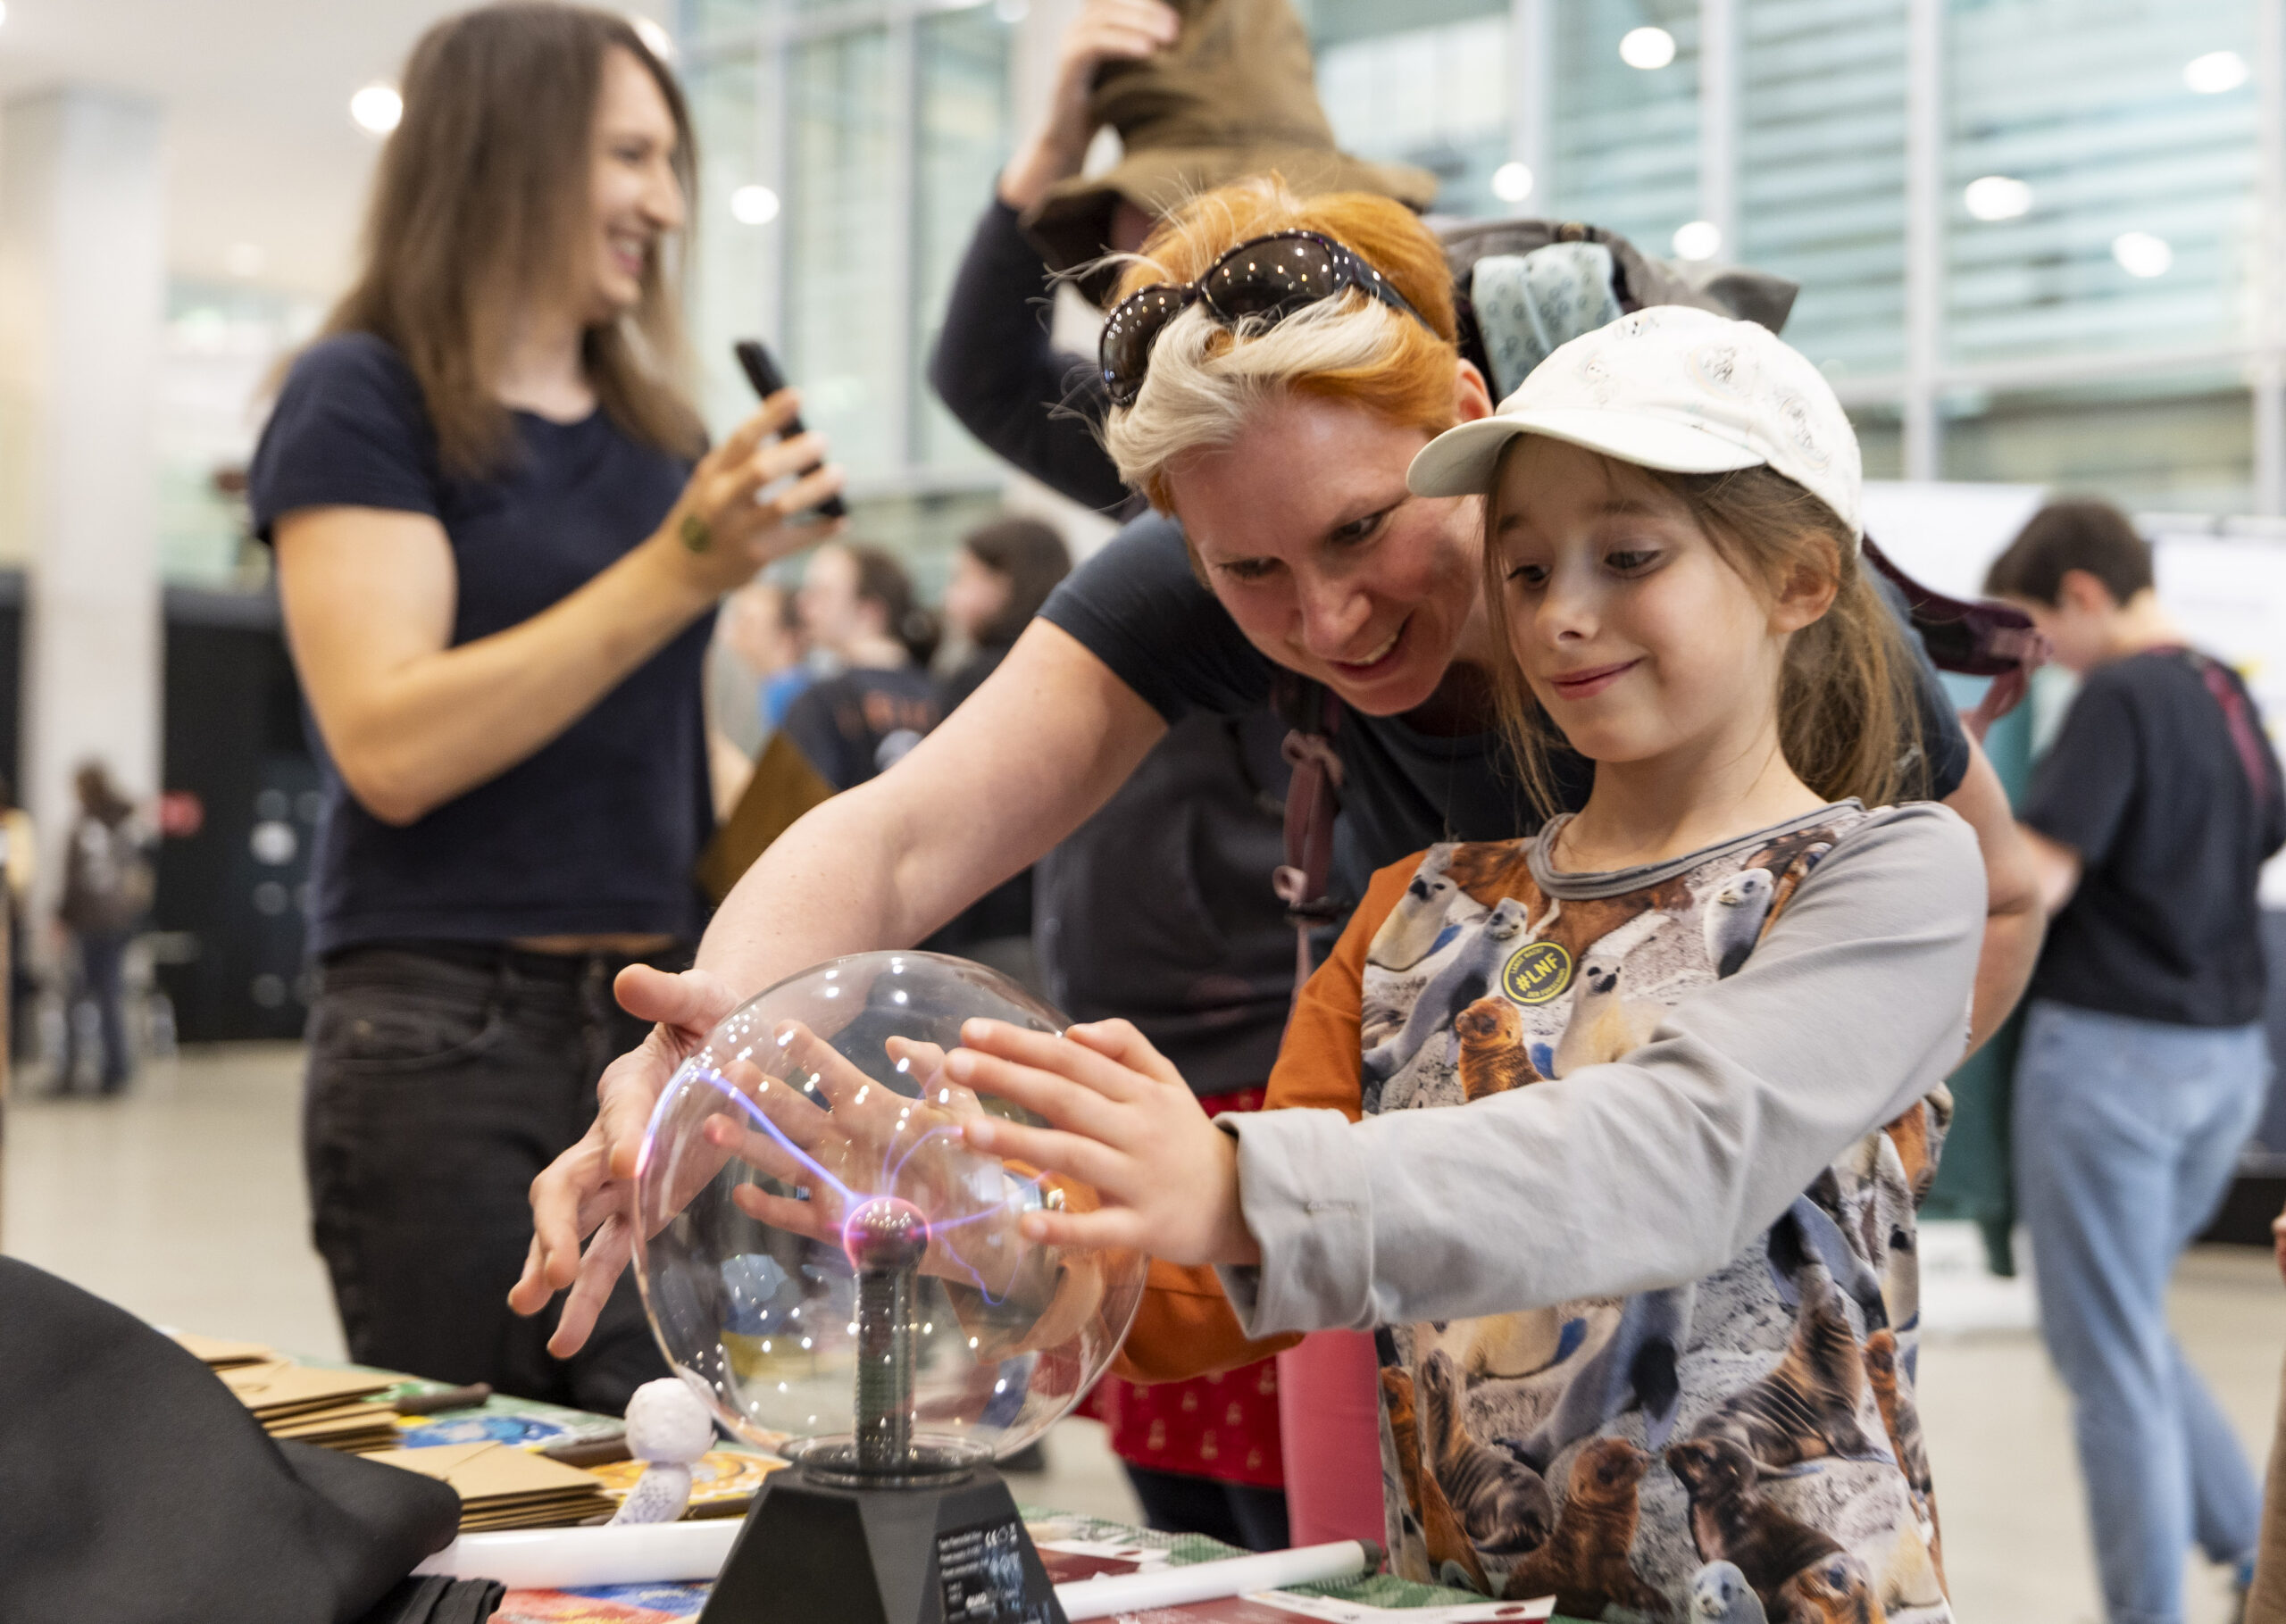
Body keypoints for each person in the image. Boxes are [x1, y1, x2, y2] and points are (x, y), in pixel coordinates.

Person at [513, 179, 2041, 1424]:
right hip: (1444, 1331)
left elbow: (1750, 1094)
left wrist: (1851, 1098)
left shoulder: (1827, 725)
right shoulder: (1421, 909)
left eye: (1368, 529)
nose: (1328, 621)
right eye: (1248, 571)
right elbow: (904, 829)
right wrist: (710, 1050)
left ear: (1462, 411)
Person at [918, 306, 1981, 1615]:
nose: (1566, 616)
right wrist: (984, 1227)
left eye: (1629, 556)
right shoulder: (1413, 913)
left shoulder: (1889, 880)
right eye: (1526, 573)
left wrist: (1238, 1184)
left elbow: (1682, 1150)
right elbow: (1200, 1288)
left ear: (1800, 581)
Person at [249, 3, 843, 1412]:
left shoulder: (659, 441)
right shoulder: (359, 396)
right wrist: (677, 566)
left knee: (681, 1456)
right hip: (437, 1034)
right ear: (506, 148)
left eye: (673, 161)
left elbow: (662, 742)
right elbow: (391, 745)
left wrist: (856, 859)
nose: (667, 203)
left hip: (642, 1030)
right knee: (477, 1484)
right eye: (632, 155)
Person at [1984, 500, 2284, 1624]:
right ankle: (2251, 1553)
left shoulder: (2115, 695)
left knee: (2105, 1358)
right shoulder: (2224, 689)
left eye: (2037, 628)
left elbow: (2042, 880)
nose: (2040, 656)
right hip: (2225, 1062)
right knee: (2130, 1330)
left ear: (2082, 593)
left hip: (2112, 1064)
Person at [780, 544, 942, 793]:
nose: (803, 605)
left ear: (869, 612)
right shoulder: (946, 696)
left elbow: (785, 814)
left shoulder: (819, 704)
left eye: (821, 593)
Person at [55, 762, 151, 1095]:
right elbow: (141, 875)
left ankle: (70, 1074)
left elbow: (74, 879)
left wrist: (62, 917)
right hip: (119, 922)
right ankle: (115, 1070)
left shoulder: (85, 824)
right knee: (110, 996)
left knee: (75, 998)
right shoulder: (128, 822)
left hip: (90, 921)